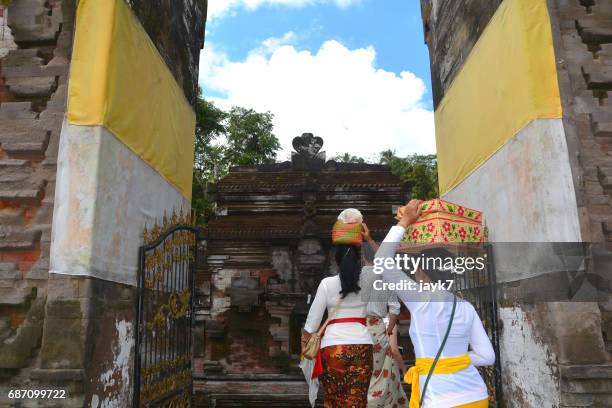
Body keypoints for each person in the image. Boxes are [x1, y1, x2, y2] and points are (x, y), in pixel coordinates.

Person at [379, 200, 496, 408]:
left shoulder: (419, 300)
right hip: (476, 396)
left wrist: (405, 220)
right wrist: (454, 359)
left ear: (421, 272)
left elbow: (382, 260)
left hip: (439, 399)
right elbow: (487, 356)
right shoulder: (466, 307)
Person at [302, 206, 421, 408]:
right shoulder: (370, 278)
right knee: (357, 401)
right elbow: (385, 263)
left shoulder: (327, 284)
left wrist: (307, 346)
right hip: (362, 344)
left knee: (334, 402)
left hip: (332, 347)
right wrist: (370, 240)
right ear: (359, 257)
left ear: (336, 259)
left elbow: (310, 326)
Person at [361, 224, 408, 407]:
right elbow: (395, 309)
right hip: (378, 328)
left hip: (357, 330)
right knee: (383, 375)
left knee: (362, 375)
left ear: (363, 257)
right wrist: (387, 331)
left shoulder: (355, 277)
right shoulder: (385, 277)